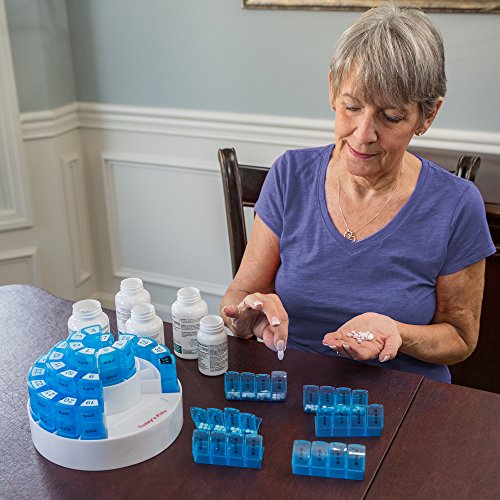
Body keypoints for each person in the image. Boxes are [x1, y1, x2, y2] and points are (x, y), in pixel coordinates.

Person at [220, 1, 496, 383]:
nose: (363, 134)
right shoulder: (290, 175)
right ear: (333, 90)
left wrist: (398, 334)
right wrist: (245, 316)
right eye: (351, 106)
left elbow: (460, 338)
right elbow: (239, 296)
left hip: (404, 395)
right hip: (293, 382)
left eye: (391, 116)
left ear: (427, 116)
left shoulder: (456, 205)